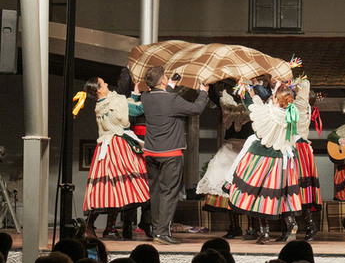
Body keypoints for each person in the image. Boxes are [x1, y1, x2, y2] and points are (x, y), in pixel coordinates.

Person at [141, 65, 209, 245]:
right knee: (168, 193)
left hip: (150, 153)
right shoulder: (172, 99)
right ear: (162, 80)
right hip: (170, 154)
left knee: (155, 193)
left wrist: (170, 85)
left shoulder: (145, 97)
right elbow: (196, 109)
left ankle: (157, 231)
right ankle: (162, 233)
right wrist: (203, 92)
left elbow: (161, 97)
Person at [226, 82, 301, 243]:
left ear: (275, 100)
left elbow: (252, 107)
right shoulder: (291, 115)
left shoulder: (269, 114)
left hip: (265, 158)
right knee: (283, 195)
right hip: (284, 161)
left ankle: (264, 232)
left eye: (273, 96)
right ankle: (291, 224)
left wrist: (245, 91)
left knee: (259, 194)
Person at [75, 76, 149, 240]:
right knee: (117, 187)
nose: (108, 84)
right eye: (104, 83)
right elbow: (135, 110)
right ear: (99, 90)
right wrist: (151, 97)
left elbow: (125, 105)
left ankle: (106, 227)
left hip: (105, 147)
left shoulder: (102, 104)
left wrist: (135, 94)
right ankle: (100, 227)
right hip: (117, 146)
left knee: (109, 189)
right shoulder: (114, 102)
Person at [197, 82, 254, 239]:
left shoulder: (251, 103)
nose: (234, 90)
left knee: (247, 187)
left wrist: (249, 89)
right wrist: (210, 82)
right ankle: (234, 227)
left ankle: (252, 227)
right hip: (229, 147)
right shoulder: (226, 102)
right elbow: (215, 96)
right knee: (224, 185)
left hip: (246, 149)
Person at [292, 78, 321, 240]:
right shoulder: (303, 106)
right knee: (302, 188)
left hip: (297, 148)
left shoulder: (300, 106)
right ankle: (308, 225)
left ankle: (308, 225)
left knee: (298, 186)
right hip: (302, 148)